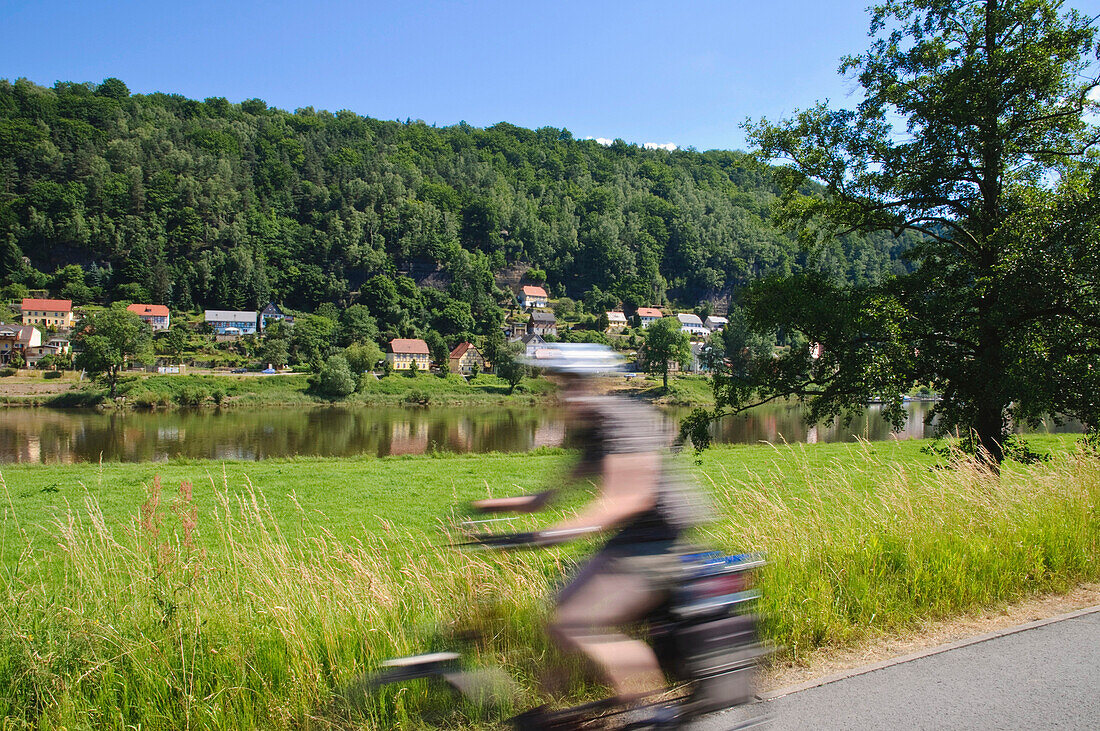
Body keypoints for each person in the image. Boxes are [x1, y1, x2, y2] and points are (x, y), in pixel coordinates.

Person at [472, 344, 702, 716]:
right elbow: (545, 498)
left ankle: (648, 707)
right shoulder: (591, 428)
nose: (563, 395)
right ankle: (573, 713)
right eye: (560, 386)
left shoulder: (620, 420)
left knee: (574, 623)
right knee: (560, 610)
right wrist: (485, 509)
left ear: (590, 385)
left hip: (659, 543)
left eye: (571, 385)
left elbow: (628, 499)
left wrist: (546, 536)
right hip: (629, 541)